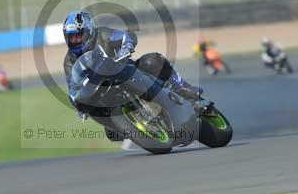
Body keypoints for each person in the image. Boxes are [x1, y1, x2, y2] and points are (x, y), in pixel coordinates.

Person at [62, 11, 205, 125]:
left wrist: (127, 47)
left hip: (125, 70)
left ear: (89, 31)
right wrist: (80, 105)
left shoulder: (103, 34)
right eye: (71, 38)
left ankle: (181, 86)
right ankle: (127, 126)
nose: (75, 41)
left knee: (153, 60)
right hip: (103, 90)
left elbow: (126, 36)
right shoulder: (69, 61)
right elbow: (73, 88)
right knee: (106, 124)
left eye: (79, 36)